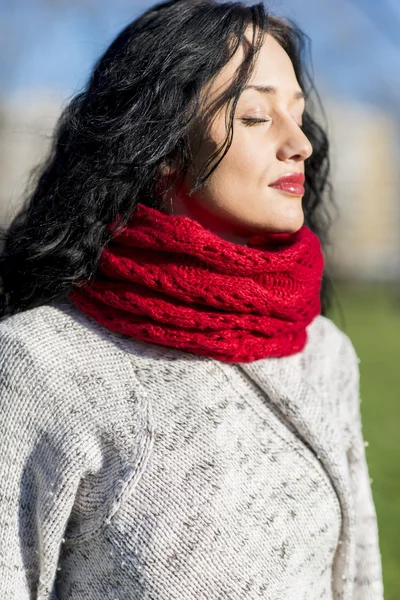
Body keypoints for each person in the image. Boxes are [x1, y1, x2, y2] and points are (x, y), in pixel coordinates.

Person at [0, 0, 384, 598]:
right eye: (255, 117)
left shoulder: (322, 353)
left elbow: (358, 580)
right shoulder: (40, 366)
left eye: (298, 114)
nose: (299, 143)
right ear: (161, 147)